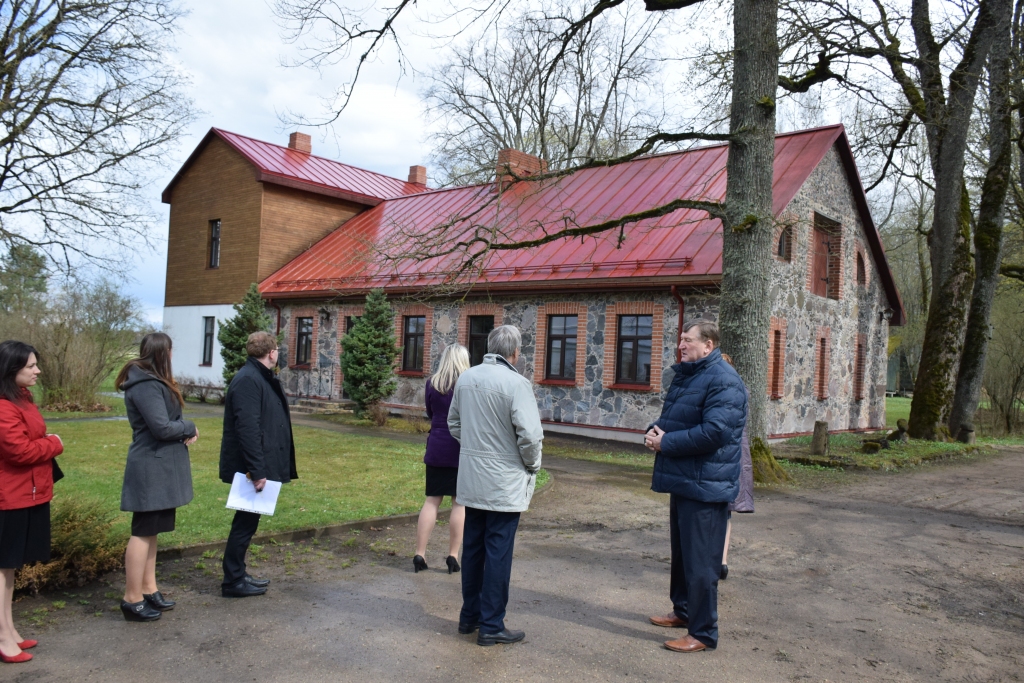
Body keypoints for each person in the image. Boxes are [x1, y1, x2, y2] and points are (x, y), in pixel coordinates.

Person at [644, 321, 746, 653]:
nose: (681, 345)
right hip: (686, 479)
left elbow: (715, 432)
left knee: (702, 562)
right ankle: (684, 612)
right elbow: (680, 419)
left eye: (688, 340)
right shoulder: (690, 375)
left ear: (709, 345)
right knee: (683, 556)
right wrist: (655, 432)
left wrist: (667, 443)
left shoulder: (724, 381)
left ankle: (703, 633)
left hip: (706, 484)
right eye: (681, 339)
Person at [448, 325, 543, 647]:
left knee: (473, 549)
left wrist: (475, 447)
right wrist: (532, 464)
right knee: (498, 552)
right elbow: (530, 436)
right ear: (515, 353)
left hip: (473, 478)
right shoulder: (517, 384)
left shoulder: (467, 377)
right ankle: (491, 624)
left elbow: (454, 423)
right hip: (504, 481)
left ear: (491, 348)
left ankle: (469, 617)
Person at [116, 332, 198, 622]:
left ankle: (148, 588)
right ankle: (131, 597)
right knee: (142, 531)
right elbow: (161, 428)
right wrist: (189, 426)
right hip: (150, 466)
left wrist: (184, 427)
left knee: (152, 531)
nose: (174, 356)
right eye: (172, 351)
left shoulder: (152, 382)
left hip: (160, 465)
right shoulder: (146, 385)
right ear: (163, 353)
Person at [219, 331, 296, 598]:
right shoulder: (249, 380)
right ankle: (232, 580)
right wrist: (258, 471)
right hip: (253, 467)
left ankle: (237, 573)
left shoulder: (258, 377)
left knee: (248, 521)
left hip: (261, 462)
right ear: (272, 352)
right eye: (277, 350)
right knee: (244, 522)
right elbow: (248, 428)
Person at [0, 341, 63, 663]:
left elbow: (29, 442)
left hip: (27, 492)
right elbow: (19, 450)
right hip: (8, 496)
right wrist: (54, 443)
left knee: (9, 566)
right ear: (11, 370)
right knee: (2, 566)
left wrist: (43, 442)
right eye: (30, 366)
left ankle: (8, 630)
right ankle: (1, 636)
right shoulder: (3, 406)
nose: (38, 371)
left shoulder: (21, 400)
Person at [413, 344, 470, 574]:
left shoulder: (432, 383)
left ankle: (420, 553)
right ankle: (453, 556)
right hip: (459, 447)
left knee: (431, 501)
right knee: (459, 502)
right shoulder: (467, 386)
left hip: (436, 445)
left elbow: (430, 412)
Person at [719, 353, 754, 581]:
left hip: (726, 456)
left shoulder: (725, 392)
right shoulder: (742, 390)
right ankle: (722, 560)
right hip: (738, 454)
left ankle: (717, 560)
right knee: (726, 512)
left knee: (720, 510)